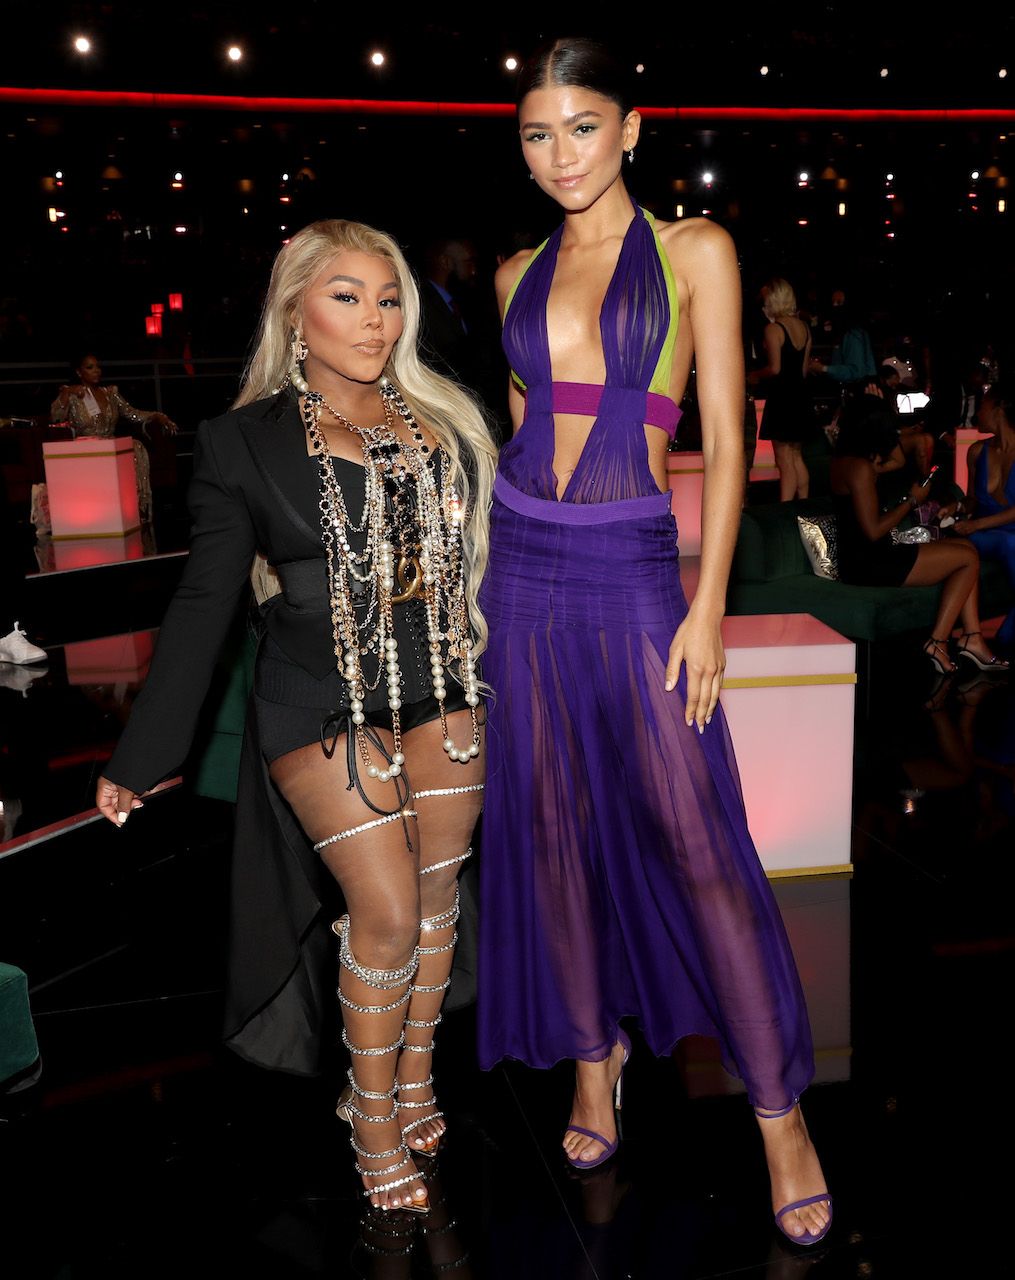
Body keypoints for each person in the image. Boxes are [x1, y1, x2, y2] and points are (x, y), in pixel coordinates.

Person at [478, 38, 831, 1246]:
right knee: (550, 829)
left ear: (631, 129)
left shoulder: (695, 251)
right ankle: (592, 1057)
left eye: (583, 126)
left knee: (696, 833)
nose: (559, 152)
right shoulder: (515, 270)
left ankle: (781, 1106)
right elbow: (525, 432)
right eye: (537, 132)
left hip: (634, 566)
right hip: (519, 568)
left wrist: (706, 604)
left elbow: (728, 435)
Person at [94, 220, 497, 1213]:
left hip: (441, 694)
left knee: (437, 906)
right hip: (318, 703)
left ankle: (411, 1081)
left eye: (389, 296)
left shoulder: (441, 422)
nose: (374, 317)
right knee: (388, 911)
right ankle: (367, 1115)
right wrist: (143, 753)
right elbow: (203, 606)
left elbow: (458, 577)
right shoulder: (243, 441)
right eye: (347, 295)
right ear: (296, 313)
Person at [830, 389, 1007, 673]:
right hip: (870, 563)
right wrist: (913, 500)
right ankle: (938, 641)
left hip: (864, 556)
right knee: (967, 558)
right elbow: (873, 531)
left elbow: (898, 461)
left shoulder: (845, 461)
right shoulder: (860, 468)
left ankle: (972, 639)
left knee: (966, 550)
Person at [49, 354, 178, 525]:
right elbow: (55, 417)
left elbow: (133, 413)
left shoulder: (110, 394)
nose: (96, 371)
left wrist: (156, 415)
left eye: (97, 367)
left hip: (110, 445)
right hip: (86, 448)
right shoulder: (72, 395)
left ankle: (135, 509)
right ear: (79, 372)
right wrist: (66, 392)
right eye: (90, 367)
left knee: (135, 447)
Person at [948, 382, 1015, 652]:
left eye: (984, 405)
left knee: (1012, 544)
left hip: (992, 530)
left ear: (999, 409)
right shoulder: (976, 451)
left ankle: (1004, 639)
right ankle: (1003, 640)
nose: (978, 413)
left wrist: (976, 523)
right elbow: (972, 499)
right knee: (1008, 544)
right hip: (984, 536)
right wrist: (955, 507)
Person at [749, 278, 813, 501]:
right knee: (796, 456)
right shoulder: (804, 328)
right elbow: (804, 371)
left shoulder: (773, 329)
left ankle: (785, 510)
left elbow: (775, 369)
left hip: (782, 398)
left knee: (784, 461)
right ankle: (804, 505)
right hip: (800, 396)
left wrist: (754, 375)